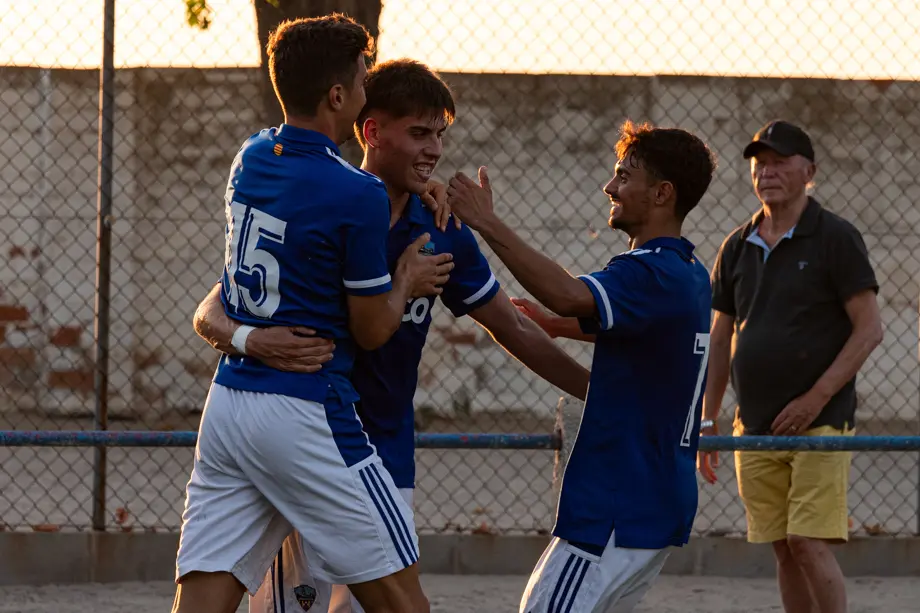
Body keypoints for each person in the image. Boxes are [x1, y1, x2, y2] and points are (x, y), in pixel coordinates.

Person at [192, 58, 592, 613]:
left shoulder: (440, 229)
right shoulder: (321, 201)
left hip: (381, 446)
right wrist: (248, 340)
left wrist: (598, 394)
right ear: (371, 130)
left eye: (440, 135)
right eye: (419, 133)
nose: (434, 150)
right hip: (302, 437)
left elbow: (515, 325)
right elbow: (217, 303)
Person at [173, 16, 455, 613]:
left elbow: (225, 293)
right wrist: (404, 277)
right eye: (361, 78)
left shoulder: (250, 157)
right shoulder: (356, 193)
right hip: (305, 408)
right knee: (405, 601)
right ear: (337, 98)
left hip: (227, 406)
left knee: (201, 600)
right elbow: (374, 329)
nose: (365, 87)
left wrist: (246, 337)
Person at [447, 120, 717, 613]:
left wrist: (486, 223)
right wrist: (555, 326)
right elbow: (634, 331)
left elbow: (570, 295)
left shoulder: (649, 270)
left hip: (617, 505)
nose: (610, 187)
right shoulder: (689, 272)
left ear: (662, 193)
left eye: (624, 176)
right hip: (654, 502)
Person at [697, 120, 882, 613]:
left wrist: (814, 399)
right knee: (782, 545)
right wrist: (709, 418)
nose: (767, 172)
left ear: (810, 171)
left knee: (807, 540)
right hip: (754, 424)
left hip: (821, 421)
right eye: (760, 164)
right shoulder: (737, 245)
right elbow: (721, 336)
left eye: (780, 162)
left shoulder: (836, 238)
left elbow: (869, 330)